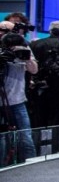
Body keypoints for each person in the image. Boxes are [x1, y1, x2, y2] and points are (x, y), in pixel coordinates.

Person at [0, 21, 38, 165]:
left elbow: (34, 70)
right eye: (2, 30)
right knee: (2, 139)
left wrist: (25, 56)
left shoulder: (23, 47)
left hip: (17, 100)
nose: (3, 33)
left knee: (25, 137)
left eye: (7, 31)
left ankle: (31, 165)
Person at [28, 21, 59, 127]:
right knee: (56, 118)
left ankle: (38, 142)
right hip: (58, 88)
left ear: (50, 30)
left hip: (37, 86)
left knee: (38, 116)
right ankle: (56, 142)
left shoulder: (35, 44)